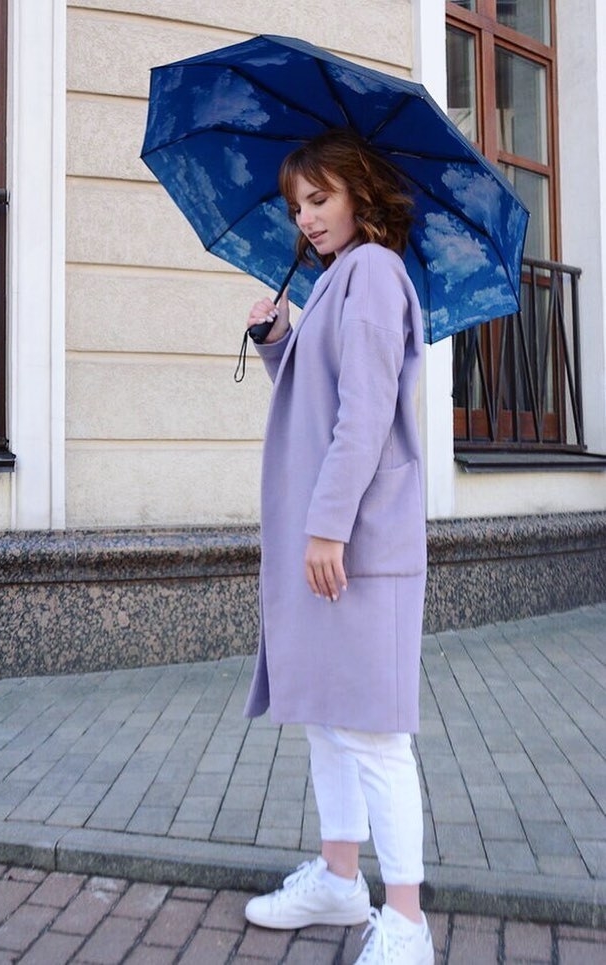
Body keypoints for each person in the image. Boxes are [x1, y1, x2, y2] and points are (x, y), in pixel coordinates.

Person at [241, 128, 434, 965]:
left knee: (375, 731)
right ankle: (337, 878)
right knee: (325, 716)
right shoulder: (331, 285)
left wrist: (326, 526)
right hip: (326, 541)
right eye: (297, 205)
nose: (307, 217)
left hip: (354, 541)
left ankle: (406, 918)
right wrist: (277, 339)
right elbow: (320, 398)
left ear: (360, 192)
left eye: (319, 198)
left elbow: (363, 415)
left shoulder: (374, 275)